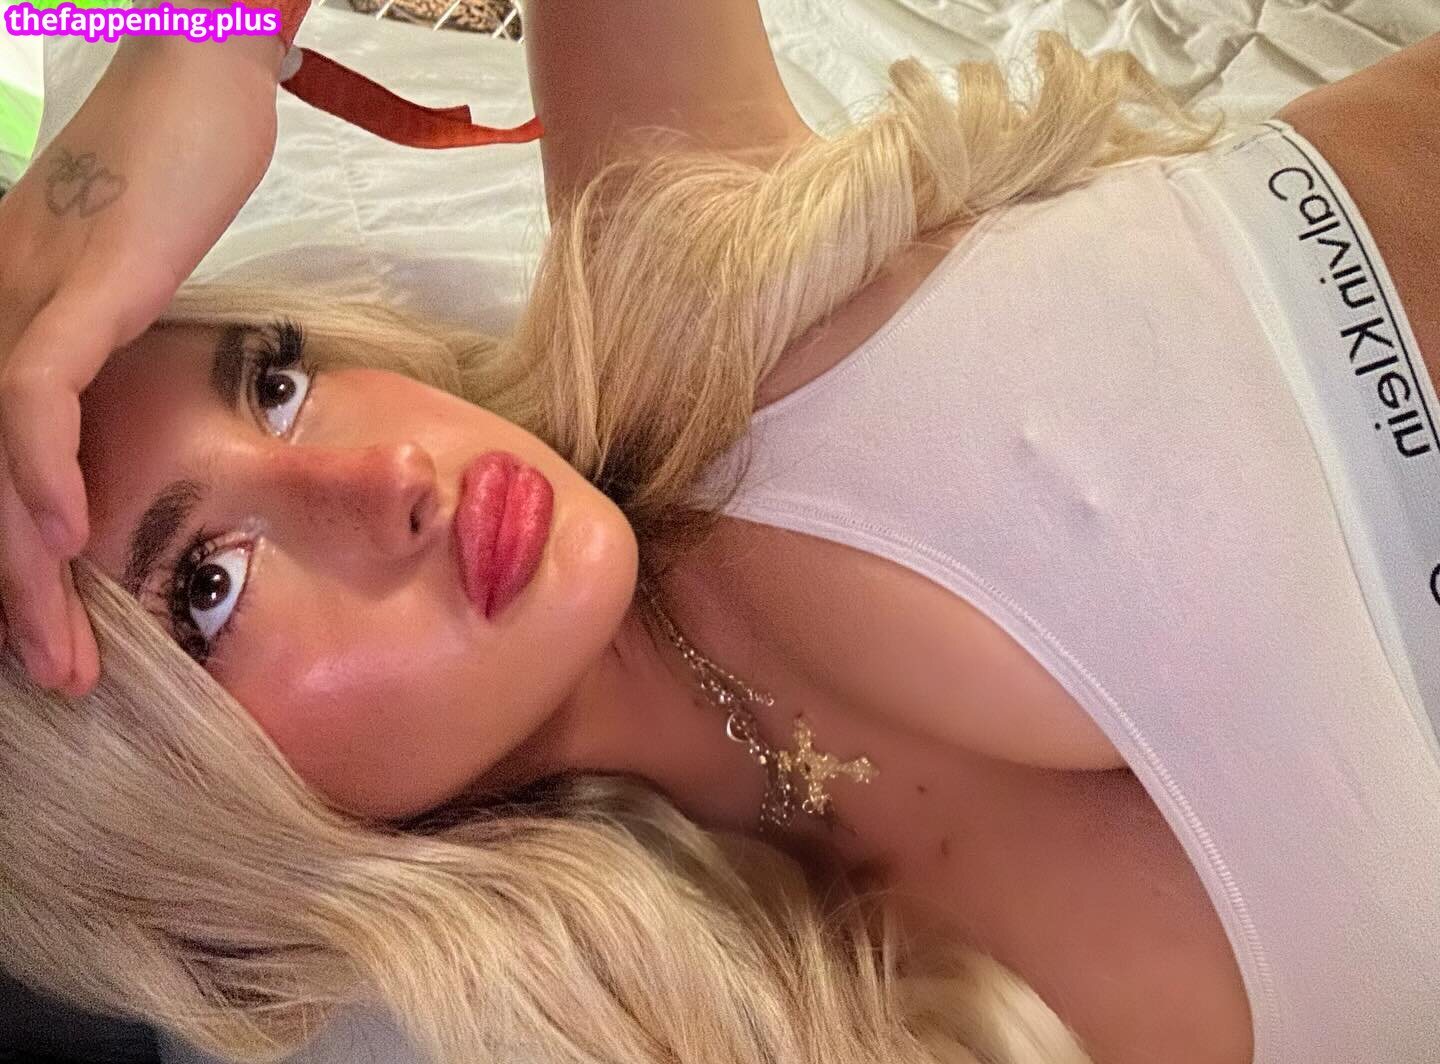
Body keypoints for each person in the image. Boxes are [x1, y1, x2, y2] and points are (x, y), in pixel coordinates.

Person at [3, 3, 1440, 1062]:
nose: (385, 474)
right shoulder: (725, 1014)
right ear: (199, 847)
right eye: (209, 585)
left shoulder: (687, 290)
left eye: (275, 383)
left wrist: (196, 45)